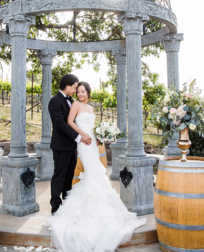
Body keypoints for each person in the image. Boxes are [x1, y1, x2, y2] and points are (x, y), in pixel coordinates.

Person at [45, 81, 147, 252]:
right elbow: (70, 122)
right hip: (83, 142)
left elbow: (91, 126)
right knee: (92, 171)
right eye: (77, 91)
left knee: (96, 173)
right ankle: (66, 208)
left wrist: (99, 135)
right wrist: (83, 134)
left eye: (82, 92)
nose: (79, 94)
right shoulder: (75, 104)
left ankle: (100, 206)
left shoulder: (91, 108)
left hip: (92, 142)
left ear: (88, 93)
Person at [48, 74, 92, 215]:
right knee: (59, 177)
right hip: (61, 146)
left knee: (69, 177)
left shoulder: (71, 101)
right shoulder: (55, 101)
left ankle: (67, 207)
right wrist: (79, 137)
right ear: (67, 86)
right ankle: (55, 208)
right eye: (74, 88)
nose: (75, 91)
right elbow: (60, 124)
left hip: (72, 146)